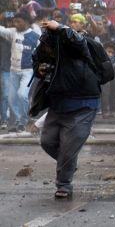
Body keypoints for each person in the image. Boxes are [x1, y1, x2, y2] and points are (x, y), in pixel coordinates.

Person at [35, 19, 102, 198]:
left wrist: (60, 28)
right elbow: (37, 60)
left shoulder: (78, 46)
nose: (46, 48)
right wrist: (39, 69)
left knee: (68, 148)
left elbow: (77, 40)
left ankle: (64, 184)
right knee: (47, 142)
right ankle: (68, 162)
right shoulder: (46, 49)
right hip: (58, 105)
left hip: (83, 104)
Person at [0, 12, 40, 132]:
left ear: (27, 22)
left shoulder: (35, 36)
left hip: (28, 72)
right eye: (14, 21)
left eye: (18, 21)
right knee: (11, 99)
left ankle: (25, 119)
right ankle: (20, 122)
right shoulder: (12, 32)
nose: (15, 24)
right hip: (13, 72)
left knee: (22, 95)